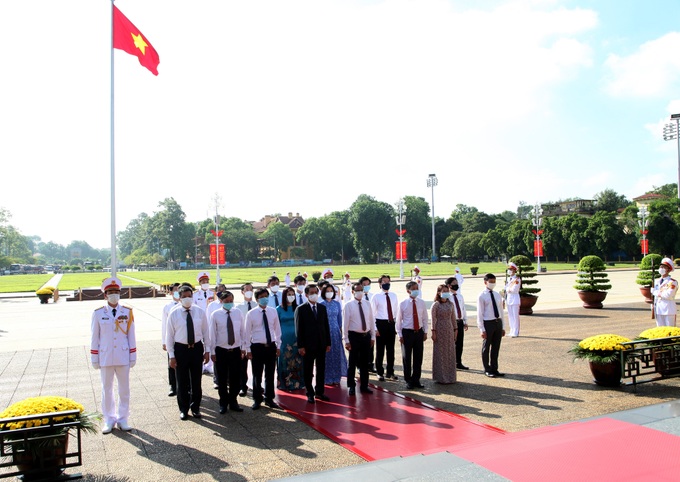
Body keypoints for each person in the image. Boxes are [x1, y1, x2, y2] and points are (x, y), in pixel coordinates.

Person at [91, 277, 137, 433]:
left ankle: (123, 418)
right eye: (110, 292)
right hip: (105, 356)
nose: (114, 295)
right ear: (105, 295)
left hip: (123, 355)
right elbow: (94, 337)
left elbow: (131, 335)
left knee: (124, 389)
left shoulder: (127, 312)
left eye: (116, 292)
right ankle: (109, 419)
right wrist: (94, 357)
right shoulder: (98, 313)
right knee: (107, 389)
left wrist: (133, 355)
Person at [166, 285, 210, 420]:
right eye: (184, 297)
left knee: (196, 381)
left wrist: (207, 350)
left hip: (196, 348)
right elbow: (169, 337)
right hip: (181, 350)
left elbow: (206, 333)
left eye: (189, 296)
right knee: (182, 381)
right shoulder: (174, 313)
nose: (187, 299)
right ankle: (184, 409)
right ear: (179, 298)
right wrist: (172, 356)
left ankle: (195, 407)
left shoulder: (199, 312)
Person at [209, 291, 246, 414]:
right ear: (221, 301)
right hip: (221, 350)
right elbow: (212, 334)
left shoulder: (237, 312)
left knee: (235, 377)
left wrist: (243, 347)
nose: (229, 303)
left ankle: (233, 401)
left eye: (231, 301)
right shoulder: (215, 314)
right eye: (226, 301)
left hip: (235, 350)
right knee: (222, 378)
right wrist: (212, 351)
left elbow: (242, 331)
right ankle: (223, 403)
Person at [245, 288, 282, 410]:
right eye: (262, 297)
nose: (265, 299)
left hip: (270, 346)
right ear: (257, 299)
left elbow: (277, 330)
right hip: (257, 347)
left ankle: (269, 398)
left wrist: (278, 345)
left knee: (270, 373)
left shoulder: (272, 311)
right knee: (257, 374)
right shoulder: (251, 314)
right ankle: (257, 399)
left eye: (266, 296)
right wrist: (248, 349)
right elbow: (247, 333)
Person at [295, 284, 332, 403]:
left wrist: (328, 343)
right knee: (308, 370)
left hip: (321, 344)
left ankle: (320, 392)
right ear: (306, 295)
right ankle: (309, 392)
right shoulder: (301, 309)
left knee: (321, 369)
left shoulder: (322, 308)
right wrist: (301, 346)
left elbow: (326, 326)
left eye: (316, 292)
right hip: (308, 346)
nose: (314, 295)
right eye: (311, 293)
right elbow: (299, 329)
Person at [342, 283, 376, 395]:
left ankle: (364, 385)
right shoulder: (348, 305)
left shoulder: (367, 304)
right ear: (352, 292)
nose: (360, 292)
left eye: (361, 290)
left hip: (365, 336)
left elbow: (371, 320)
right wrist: (346, 340)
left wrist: (372, 336)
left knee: (364, 363)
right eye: (357, 290)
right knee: (352, 362)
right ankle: (351, 385)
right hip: (354, 336)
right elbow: (345, 324)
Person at [396, 281, 429, 389]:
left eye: (417, 288)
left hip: (418, 332)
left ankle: (416, 379)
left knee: (418, 357)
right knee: (407, 357)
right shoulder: (403, 303)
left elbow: (424, 318)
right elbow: (398, 321)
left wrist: (425, 331)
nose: (416, 290)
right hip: (407, 332)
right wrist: (400, 335)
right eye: (413, 289)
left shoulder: (421, 302)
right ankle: (408, 380)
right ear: (408, 291)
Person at [477, 273, 507, 378]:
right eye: (491, 282)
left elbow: (501, 311)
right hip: (488, 323)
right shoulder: (482, 295)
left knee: (496, 347)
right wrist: (481, 329)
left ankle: (495, 368)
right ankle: (487, 368)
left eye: (494, 282)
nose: (492, 284)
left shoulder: (497, 295)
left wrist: (503, 326)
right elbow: (480, 313)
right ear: (485, 282)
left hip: (497, 322)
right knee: (486, 347)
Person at [371, 274, 399, 382]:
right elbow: (372, 314)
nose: (386, 283)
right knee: (380, 349)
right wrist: (375, 328)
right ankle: (379, 372)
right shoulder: (376, 296)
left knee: (391, 349)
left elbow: (396, 311)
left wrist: (395, 325)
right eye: (384, 282)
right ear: (380, 283)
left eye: (388, 281)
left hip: (391, 323)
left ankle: (390, 371)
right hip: (380, 324)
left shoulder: (393, 295)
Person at [277, 286, 304, 391]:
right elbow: (276, 325)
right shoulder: (278, 309)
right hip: (284, 339)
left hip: (297, 339)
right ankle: (285, 383)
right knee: (285, 361)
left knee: (297, 360)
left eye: (293, 294)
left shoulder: (298, 308)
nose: (291, 296)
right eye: (289, 294)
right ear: (284, 296)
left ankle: (298, 383)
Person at [320, 283, 347, 385]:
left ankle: (336, 377)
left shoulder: (337, 304)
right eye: (327, 291)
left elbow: (340, 320)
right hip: (325, 333)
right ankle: (327, 377)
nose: (329, 293)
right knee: (327, 356)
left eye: (331, 291)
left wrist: (341, 332)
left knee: (336, 354)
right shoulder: (321, 305)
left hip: (336, 332)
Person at [431, 284, 458, 384]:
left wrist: (456, 329)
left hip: (449, 328)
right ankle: (441, 377)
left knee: (449, 352)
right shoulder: (436, 305)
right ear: (439, 292)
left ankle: (450, 376)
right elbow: (433, 319)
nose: (446, 293)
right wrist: (433, 331)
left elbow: (453, 318)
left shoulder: (450, 304)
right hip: (439, 329)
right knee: (440, 353)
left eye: (447, 291)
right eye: (444, 291)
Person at [236, 283, 256, 397]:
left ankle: (257, 386)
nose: (249, 291)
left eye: (251, 289)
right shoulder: (238, 308)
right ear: (242, 292)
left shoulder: (256, 305)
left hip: (256, 340)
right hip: (243, 340)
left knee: (256, 366)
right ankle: (243, 386)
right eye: (246, 289)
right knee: (242, 366)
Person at [445, 277, 469, 370]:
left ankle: (458, 362)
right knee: (451, 343)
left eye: (456, 283)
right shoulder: (447, 297)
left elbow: (463, 309)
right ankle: (450, 362)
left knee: (459, 343)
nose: (456, 285)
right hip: (451, 322)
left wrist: (465, 321)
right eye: (454, 283)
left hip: (459, 321)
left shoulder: (460, 296)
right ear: (449, 285)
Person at [161, 282, 180, 396]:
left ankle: (186, 386)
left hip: (183, 340)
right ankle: (173, 386)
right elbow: (164, 325)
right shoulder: (167, 307)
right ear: (171, 292)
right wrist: (164, 341)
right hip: (171, 340)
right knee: (171, 364)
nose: (177, 292)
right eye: (175, 290)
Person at [653, 257, 678, 327]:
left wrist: (655, 292)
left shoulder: (672, 282)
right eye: (661, 267)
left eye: (664, 267)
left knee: (670, 331)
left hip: (668, 310)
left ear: (668, 270)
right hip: (658, 309)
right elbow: (654, 298)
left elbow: (668, 295)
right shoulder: (656, 281)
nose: (661, 268)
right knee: (660, 331)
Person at [358, 276, 376, 373]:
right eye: (364, 285)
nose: (366, 286)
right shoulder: (357, 297)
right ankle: (360, 366)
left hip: (369, 325)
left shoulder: (373, 296)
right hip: (360, 325)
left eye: (368, 284)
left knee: (371, 346)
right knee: (360, 349)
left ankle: (370, 364)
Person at [505, 262, 521, 337]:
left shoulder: (517, 279)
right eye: (509, 269)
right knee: (510, 316)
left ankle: (516, 331)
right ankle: (511, 330)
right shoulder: (509, 279)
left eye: (510, 269)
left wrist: (508, 289)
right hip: (509, 299)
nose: (509, 271)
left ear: (514, 270)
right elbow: (506, 289)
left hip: (514, 299)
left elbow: (514, 289)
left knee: (515, 316)